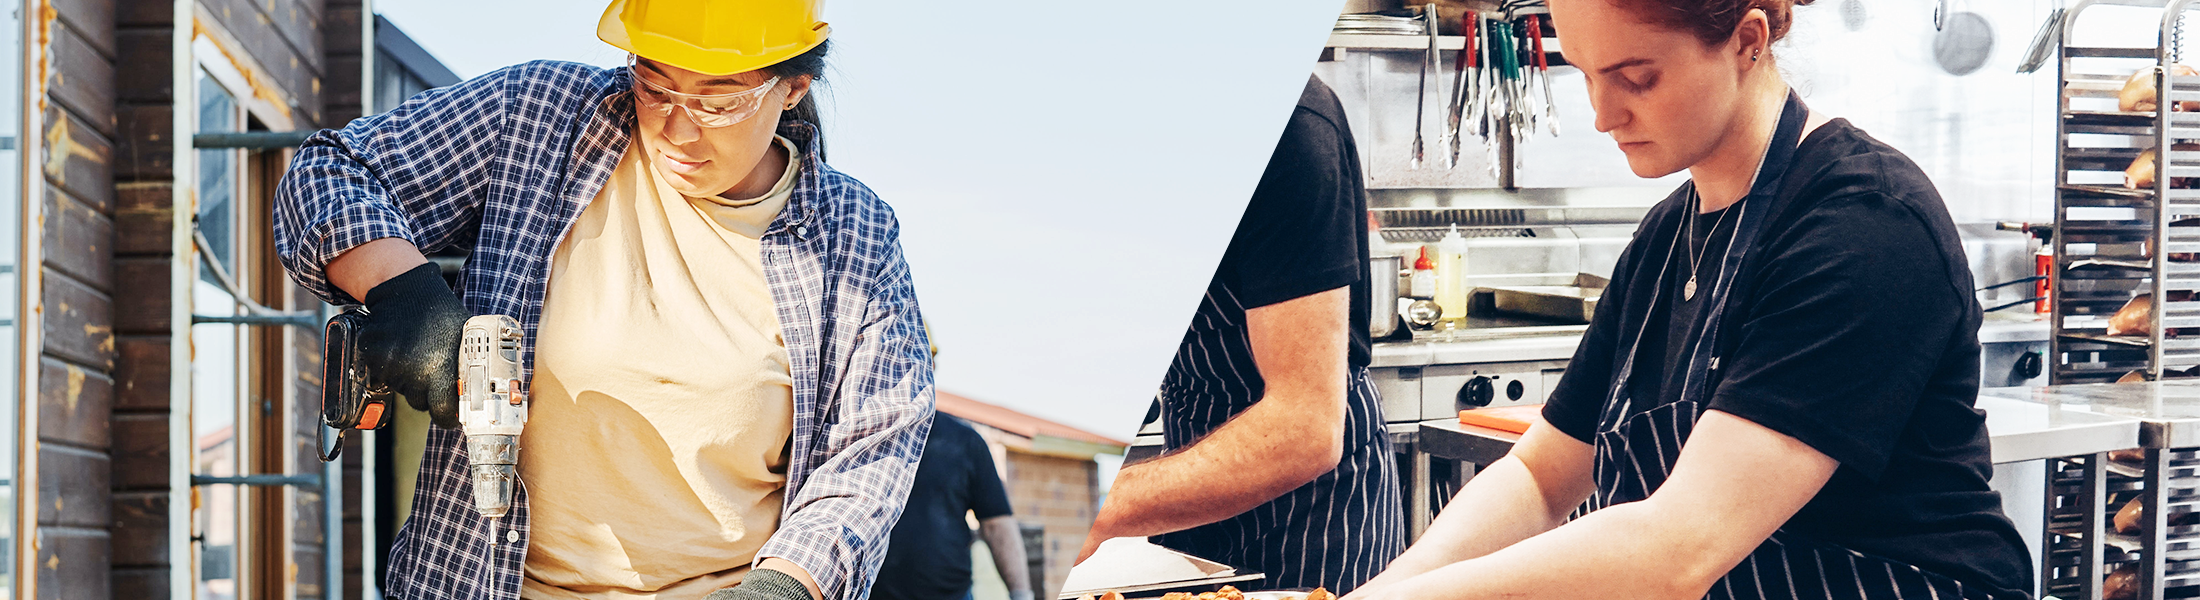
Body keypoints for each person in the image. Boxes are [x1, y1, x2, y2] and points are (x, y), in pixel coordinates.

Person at [1342, 1, 2031, 600]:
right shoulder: (1668, 235)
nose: (1603, 114)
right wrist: (1382, 590)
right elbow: (1541, 477)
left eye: (1636, 77)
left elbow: (1679, 550)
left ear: (1748, 41)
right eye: (1583, 72)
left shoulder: (1864, 226)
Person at [271, 1, 934, 600]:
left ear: (793, 87)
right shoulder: (539, 118)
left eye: (718, 101)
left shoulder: (856, 238)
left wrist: (784, 587)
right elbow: (331, 171)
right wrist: (403, 288)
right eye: (655, 85)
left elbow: (872, 452)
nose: (677, 128)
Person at [1075, 75, 1405, 594]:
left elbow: (1305, 429)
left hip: (1314, 522)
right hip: (1189, 505)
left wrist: (1101, 503)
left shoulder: (1289, 129)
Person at [872, 414, 1035, 600]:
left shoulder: (965, 441)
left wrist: (1022, 595)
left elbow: (997, 524)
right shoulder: (855, 435)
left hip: (950, 595)